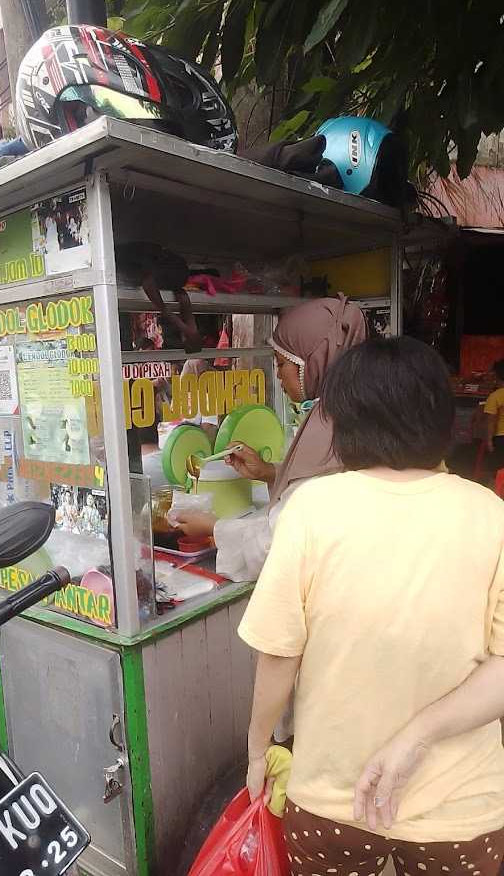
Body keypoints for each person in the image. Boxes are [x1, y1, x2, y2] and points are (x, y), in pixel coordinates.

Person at [239, 336, 504, 876]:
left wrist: (256, 748)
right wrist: (418, 736)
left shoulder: (313, 509)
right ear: (440, 418)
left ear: (342, 423)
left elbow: (279, 656)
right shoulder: (490, 514)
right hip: (462, 813)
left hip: (332, 803)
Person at [176, 296, 367, 581]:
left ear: (312, 363)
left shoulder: (332, 435)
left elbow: (275, 547)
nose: (277, 375)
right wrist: (270, 473)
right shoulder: (356, 414)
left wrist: (214, 528)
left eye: (282, 364)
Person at [485, 359, 504, 478]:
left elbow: (491, 421)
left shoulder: (495, 396)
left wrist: (489, 441)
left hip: (500, 439)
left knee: (498, 471)